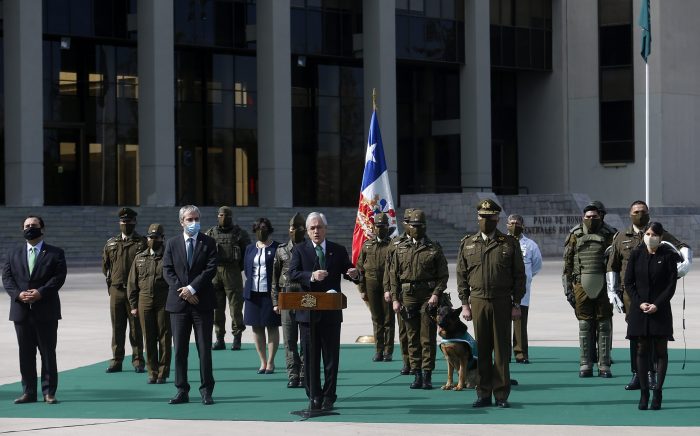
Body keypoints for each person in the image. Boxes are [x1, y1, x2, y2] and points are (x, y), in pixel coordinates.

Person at [607, 200, 692, 390]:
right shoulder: (621, 237)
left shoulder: (657, 232)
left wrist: (686, 261)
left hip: (655, 294)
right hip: (631, 295)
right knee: (636, 336)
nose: (639, 214)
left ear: (648, 213)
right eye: (636, 211)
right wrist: (612, 290)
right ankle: (637, 374)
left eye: (643, 211)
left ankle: (652, 373)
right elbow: (612, 265)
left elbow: (681, 246)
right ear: (630, 214)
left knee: (654, 335)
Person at [457, 199, 525, 408]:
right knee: (483, 350)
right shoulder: (468, 243)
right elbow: (462, 275)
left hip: (502, 301)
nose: (486, 220)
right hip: (478, 301)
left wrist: (516, 303)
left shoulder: (509, 243)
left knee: (502, 350)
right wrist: (465, 303)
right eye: (482, 217)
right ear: (477, 218)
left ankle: (501, 394)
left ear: (497, 218)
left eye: (490, 217)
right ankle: (483, 393)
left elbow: (519, 276)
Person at [288, 212, 359, 412]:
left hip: (331, 314)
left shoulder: (337, 250)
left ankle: (329, 396)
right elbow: (292, 274)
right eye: (312, 228)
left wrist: (354, 273)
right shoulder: (300, 250)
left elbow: (349, 271)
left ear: (325, 229)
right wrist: (311, 275)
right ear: (307, 231)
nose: (316, 231)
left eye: (319, 227)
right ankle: (314, 396)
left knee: (330, 358)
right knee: (310, 358)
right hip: (307, 314)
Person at [3, 215, 67, 404]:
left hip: (46, 310)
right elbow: (7, 278)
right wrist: (18, 295)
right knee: (26, 354)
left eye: (34, 225)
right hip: (21, 311)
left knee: (47, 353)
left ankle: (49, 392)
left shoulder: (56, 253)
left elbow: (58, 278)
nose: (30, 228)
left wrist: (40, 293)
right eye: (27, 225)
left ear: (42, 229)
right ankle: (28, 392)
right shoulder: (12, 253)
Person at [163, 205, 218, 405]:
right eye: (189, 219)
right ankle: (181, 390)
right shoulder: (172, 243)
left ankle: (206, 390)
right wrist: (184, 292)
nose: (194, 223)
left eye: (196, 219)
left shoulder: (209, 242)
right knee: (180, 350)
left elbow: (210, 269)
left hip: (202, 303)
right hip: (178, 305)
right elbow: (167, 271)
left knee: (204, 349)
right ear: (181, 222)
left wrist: (193, 289)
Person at [388, 209, 449, 390]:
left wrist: (436, 294)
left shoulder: (434, 248)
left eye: (419, 226)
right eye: (413, 226)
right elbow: (393, 275)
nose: (415, 229)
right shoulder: (400, 248)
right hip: (407, 296)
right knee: (412, 336)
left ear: (424, 227)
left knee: (427, 337)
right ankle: (416, 373)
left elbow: (443, 276)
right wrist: (395, 298)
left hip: (427, 297)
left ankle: (427, 373)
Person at [624, 222, 680, 410]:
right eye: (647, 233)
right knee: (641, 349)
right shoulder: (636, 254)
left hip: (660, 309)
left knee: (660, 351)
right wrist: (639, 302)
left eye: (654, 234)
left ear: (661, 236)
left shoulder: (669, 256)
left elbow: (670, 285)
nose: (650, 236)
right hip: (639, 309)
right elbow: (628, 282)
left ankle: (657, 392)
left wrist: (657, 304)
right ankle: (644, 393)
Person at [563, 203, 614, 378]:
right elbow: (567, 263)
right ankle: (585, 363)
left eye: (595, 217)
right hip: (580, 285)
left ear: (600, 216)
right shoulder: (575, 234)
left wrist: (617, 288)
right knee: (584, 324)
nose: (591, 220)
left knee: (604, 324)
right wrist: (567, 288)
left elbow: (616, 262)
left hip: (604, 286)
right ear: (583, 217)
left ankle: (604, 365)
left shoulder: (610, 233)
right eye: (588, 217)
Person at [102, 207, 147, 373]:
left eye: (129, 221)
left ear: (134, 222)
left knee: (136, 327)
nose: (126, 224)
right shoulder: (111, 243)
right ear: (119, 223)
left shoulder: (142, 243)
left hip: (135, 291)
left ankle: (137, 360)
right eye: (123, 222)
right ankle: (116, 360)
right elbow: (105, 266)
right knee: (117, 328)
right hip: (116, 291)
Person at [127, 223, 171, 384]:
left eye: (156, 237)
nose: (153, 240)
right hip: (144, 300)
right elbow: (132, 283)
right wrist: (133, 305)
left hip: (163, 300)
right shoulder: (140, 258)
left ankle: (163, 372)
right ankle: (152, 372)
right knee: (149, 337)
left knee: (164, 337)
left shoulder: (168, 256)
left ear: (162, 238)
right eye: (150, 237)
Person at [206, 206, 250, 351]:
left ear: (231, 217)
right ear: (217, 216)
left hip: (233, 272)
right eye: (220, 215)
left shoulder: (240, 233)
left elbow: (247, 254)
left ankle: (237, 338)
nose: (223, 218)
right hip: (215, 273)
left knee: (235, 308)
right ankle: (219, 339)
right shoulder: (211, 233)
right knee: (216, 309)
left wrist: (239, 268)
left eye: (226, 215)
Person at [271, 213, 307, 388]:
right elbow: (274, 277)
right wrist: (275, 301)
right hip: (286, 295)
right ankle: (293, 374)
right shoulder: (281, 250)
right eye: (292, 228)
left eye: (298, 228)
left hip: (305, 295)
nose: (294, 231)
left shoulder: (310, 248)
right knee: (289, 339)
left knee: (306, 337)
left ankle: (304, 373)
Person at [243, 217, 281, 374]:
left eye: (264, 227)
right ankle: (262, 362)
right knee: (256, 327)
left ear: (269, 229)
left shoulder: (278, 247)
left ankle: (271, 362)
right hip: (253, 294)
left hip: (270, 294)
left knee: (271, 326)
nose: (261, 230)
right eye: (258, 228)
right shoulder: (250, 249)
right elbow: (246, 269)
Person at [356, 212, 395, 362]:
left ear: (387, 227)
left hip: (387, 286)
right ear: (373, 227)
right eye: (377, 226)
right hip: (371, 284)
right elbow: (360, 268)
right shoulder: (367, 245)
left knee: (388, 319)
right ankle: (379, 350)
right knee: (376, 318)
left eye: (383, 226)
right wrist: (362, 289)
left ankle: (388, 351)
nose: (380, 229)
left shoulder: (392, 245)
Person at [506, 214, 542, 364]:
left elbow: (537, 265)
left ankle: (520, 354)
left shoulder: (530, 244)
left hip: (522, 291)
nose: (515, 225)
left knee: (520, 323)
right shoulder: (500, 242)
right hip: (503, 290)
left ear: (523, 225)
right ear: (507, 225)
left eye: (517, 223)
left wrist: (526, 278)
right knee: (503, 324)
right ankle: (504, 354)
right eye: (512, 223)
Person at [384, 208, 414, 375]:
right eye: (408, 222)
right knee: (403, 330)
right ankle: (407, 361)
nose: (411, 225)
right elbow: (389, 269)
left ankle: (419, 363)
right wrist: (387, 289)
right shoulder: (395, 243)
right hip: (401, 293)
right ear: (404, 224)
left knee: (418, 331)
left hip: (419, 294)